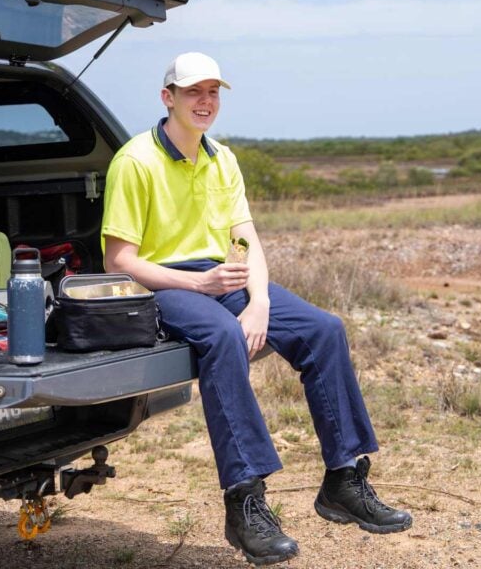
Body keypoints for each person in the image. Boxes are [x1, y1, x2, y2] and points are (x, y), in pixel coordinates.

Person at [101, 53, 412, 566]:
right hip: (162, 283)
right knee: (223, 337)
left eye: (213, 92)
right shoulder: (135, 161)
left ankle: (344, 479)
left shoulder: (222, 158)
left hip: (224, 277)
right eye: (193, 92)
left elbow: (247, 240)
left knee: (323, 329)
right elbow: (120, 261)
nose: (205, 102)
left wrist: (261, 303)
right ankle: (246, 502)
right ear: (167, 98)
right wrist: (198, 283)